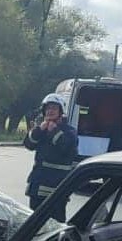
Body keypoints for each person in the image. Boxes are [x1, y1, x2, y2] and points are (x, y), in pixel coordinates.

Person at [23, 92, 78, 221]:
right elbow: (28, 144)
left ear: (61, 111)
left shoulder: (69, 131)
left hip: (57, 189)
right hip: (37, 187)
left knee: (56, 224)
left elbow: (66, 147)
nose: (50, 111)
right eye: (47, 108)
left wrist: (54, 131)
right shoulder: (41, 129)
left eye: (54, 108)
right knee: (34, 224)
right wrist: (38, 130)